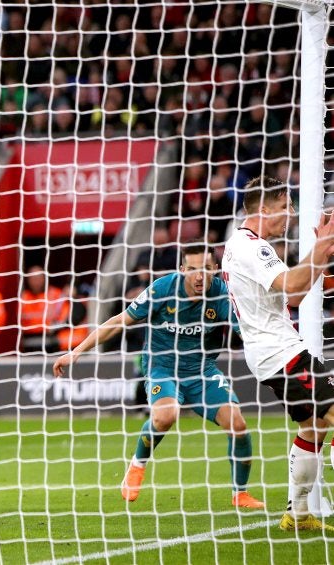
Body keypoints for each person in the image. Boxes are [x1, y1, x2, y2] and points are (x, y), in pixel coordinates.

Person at [52, 244, 264, 509]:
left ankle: (240, 494)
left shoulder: (221, 294)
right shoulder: (162, 289)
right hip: (162, 368)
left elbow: (245, 330)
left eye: (207, 269)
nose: (201, 277)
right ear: (182, 269)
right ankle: (137, 466)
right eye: (194, 269)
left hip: (202, 371)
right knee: (166, 416)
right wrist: (76, 352)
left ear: (215, 270)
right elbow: (119, 321)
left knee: (238, 424)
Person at [222, 176, 334, 532]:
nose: (291, 214)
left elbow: (294, 297)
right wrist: (323, 246)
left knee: (314, 426)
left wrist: (321, 251)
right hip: (280, 352)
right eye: (285, 207)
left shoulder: (249, 246)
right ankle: (297, 512)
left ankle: (297, 514)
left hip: (274, 350)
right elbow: (296, 285)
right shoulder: (251, 248)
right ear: (264, 209)